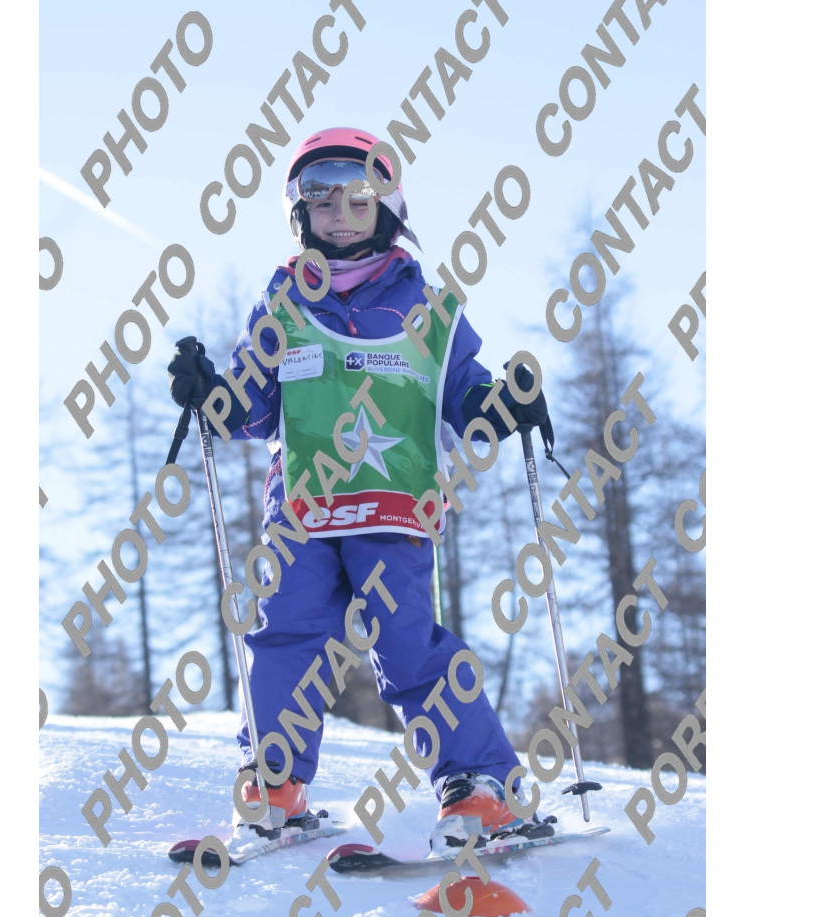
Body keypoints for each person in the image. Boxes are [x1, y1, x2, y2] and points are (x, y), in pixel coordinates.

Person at [167, 127, 556, 854]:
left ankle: (478, 781)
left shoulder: (427, 308)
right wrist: (210, 393)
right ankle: (276, 779)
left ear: (388, 207)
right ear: (300, 214)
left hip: (393, 506)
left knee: (406, 643)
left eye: (358, 199)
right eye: (322, 201)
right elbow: (250, 405)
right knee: (285, 633)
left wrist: (500, 404)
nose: (340, 215)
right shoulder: (284, 304)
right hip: (303, 511)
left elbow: (464, 391)